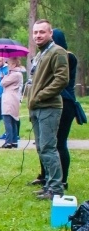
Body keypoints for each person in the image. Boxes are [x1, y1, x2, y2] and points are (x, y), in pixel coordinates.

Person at [30, 28, 78, 189]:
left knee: (58, 144)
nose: (39, 36)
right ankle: (46, 176)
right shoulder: (43, 55)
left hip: (64, 102)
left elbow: (60, 79)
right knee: (45, 144)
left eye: (44, 33)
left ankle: (60, 180)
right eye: (36, 33)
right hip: (45, 102)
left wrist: (40, 94)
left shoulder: (64, 55)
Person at [0, 57, 25, 148]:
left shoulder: (15, 74)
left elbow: (3, 83)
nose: (8, 66)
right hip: (13, 98)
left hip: (10, 98)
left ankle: (8, 141)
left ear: (13, 64)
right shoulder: (15, 74)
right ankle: (14, 141)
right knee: (13, 120)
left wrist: (4, 76)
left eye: (9, 64)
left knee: (7, 119)